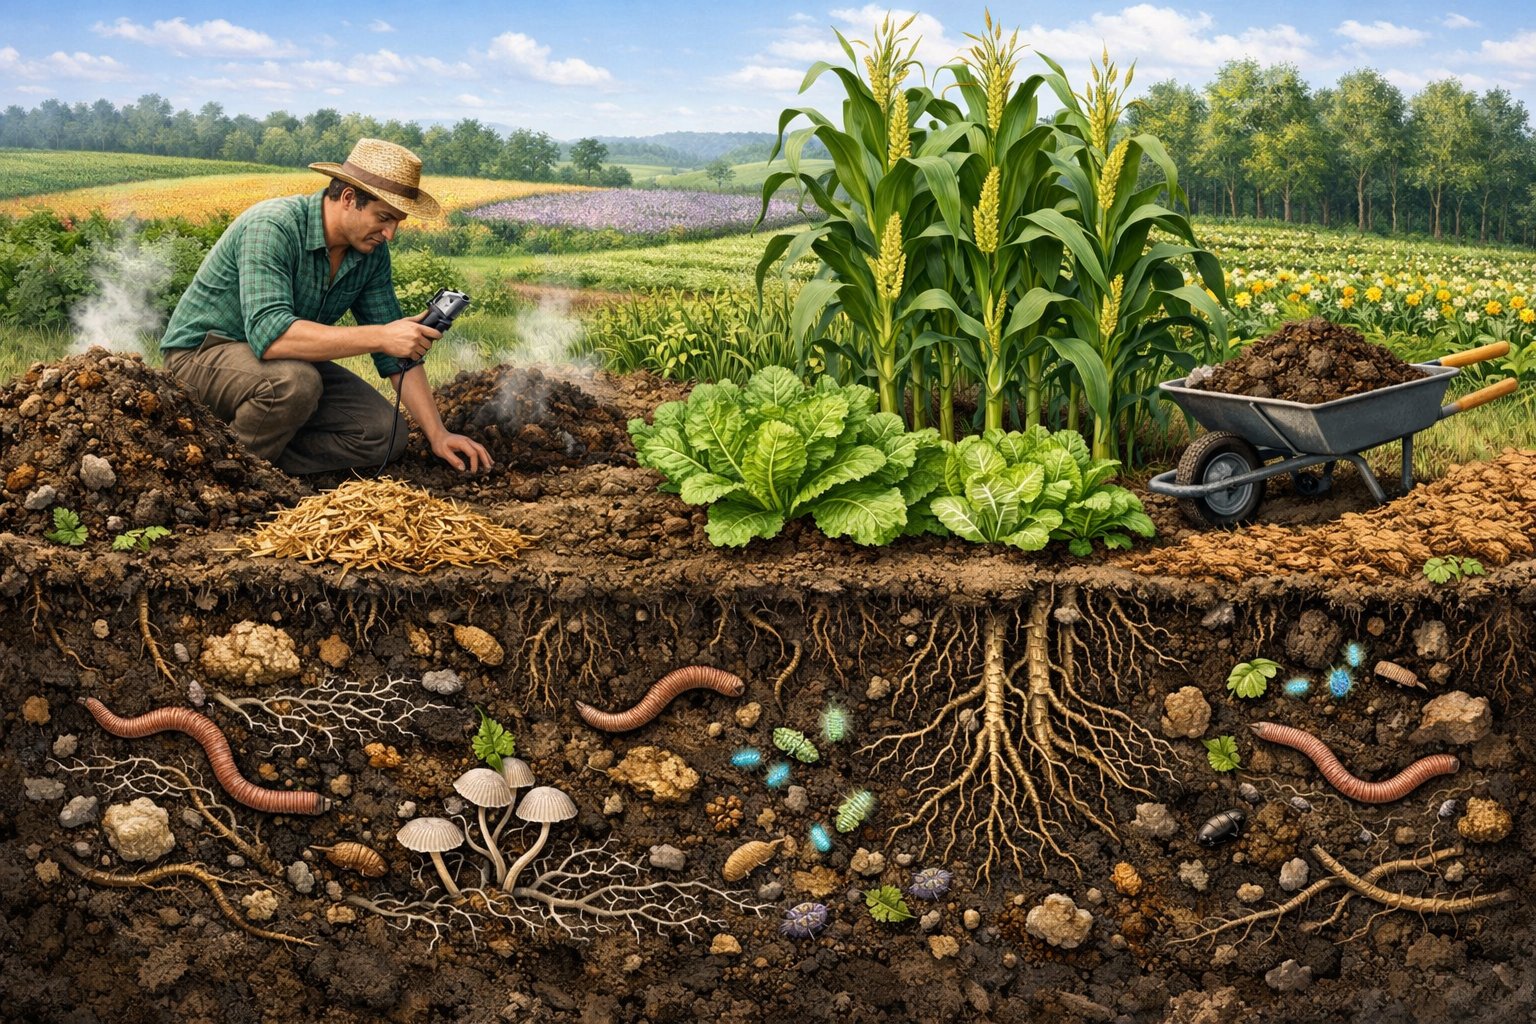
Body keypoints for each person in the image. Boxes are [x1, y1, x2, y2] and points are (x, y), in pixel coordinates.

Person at [159, 138, 492, 475]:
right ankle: (222, 476)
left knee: (384, 434)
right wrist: (381, 336)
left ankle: (260, 459)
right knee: (295, 383)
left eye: (397, 223)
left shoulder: (370, 254)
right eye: (383, 218)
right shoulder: (273, 226)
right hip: (200, 357)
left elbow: (397, 356)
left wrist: (438, 434)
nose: (389, 233)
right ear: (349, 198)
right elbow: (271, 337)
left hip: (279, 366)